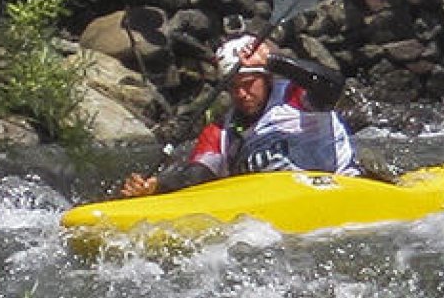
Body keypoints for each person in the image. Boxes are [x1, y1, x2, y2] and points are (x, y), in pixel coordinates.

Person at [120, 35, 358, 196]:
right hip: (275, 203)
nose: (242, 94)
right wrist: (157, 186)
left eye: (249, 84)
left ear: (266, 79)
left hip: (337, 188)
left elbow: (333, 86)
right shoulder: (222, 130)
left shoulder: (296, 97)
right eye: (233, 87)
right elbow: (197, 175)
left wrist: (274, 61)